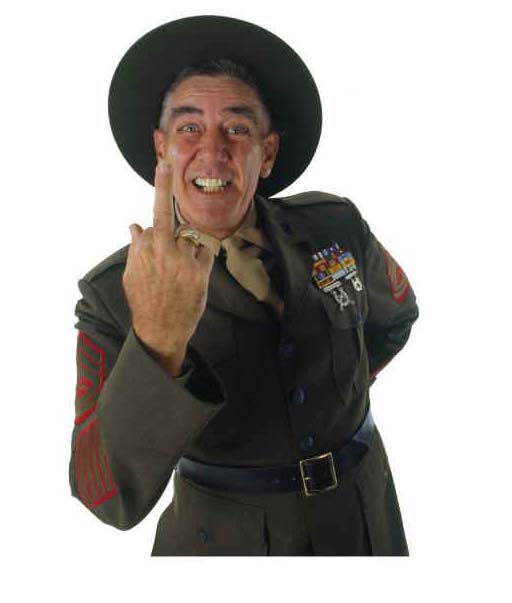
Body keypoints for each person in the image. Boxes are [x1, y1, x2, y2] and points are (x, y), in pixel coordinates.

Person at [69, 15, 419, 556]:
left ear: (268, 152)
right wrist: (159, 340)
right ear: (161, 148)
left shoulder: (334, 225)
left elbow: (395, 316)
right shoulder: (112, 294)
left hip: (365, 522)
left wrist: (338, 395)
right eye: (189, 129)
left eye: (236, 129)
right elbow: (106, 496)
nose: (213, 151)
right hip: (224, 548)